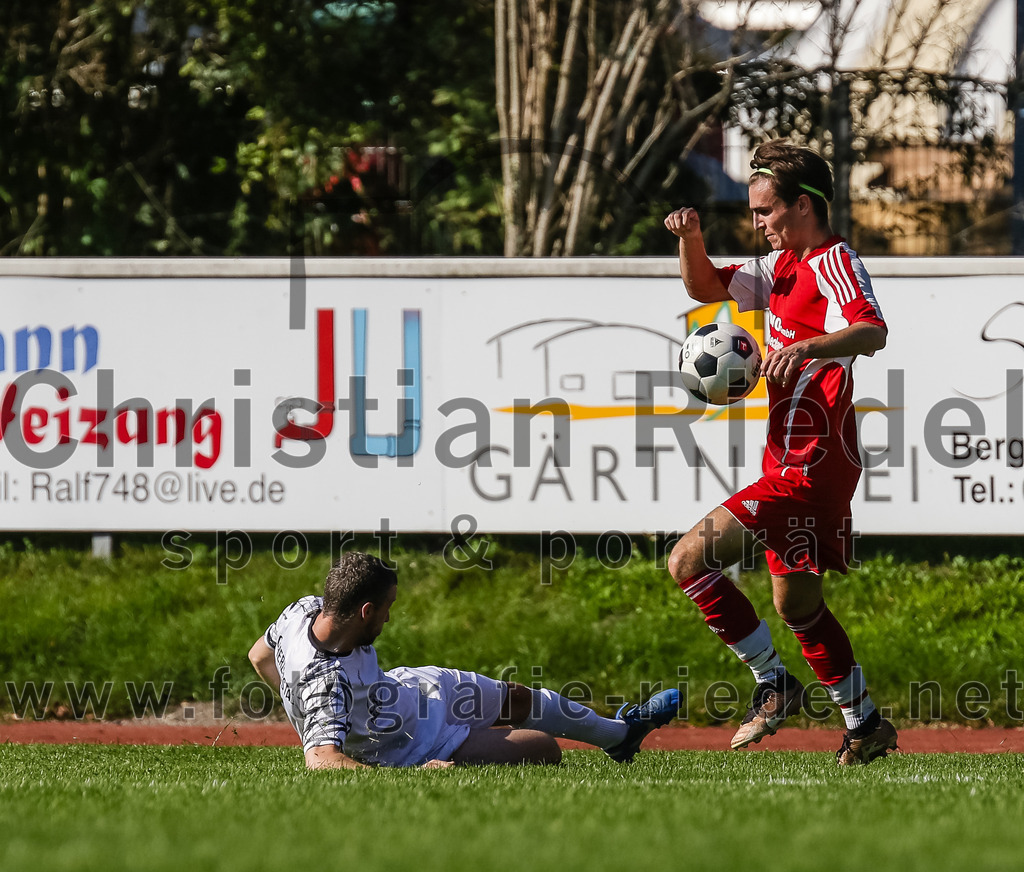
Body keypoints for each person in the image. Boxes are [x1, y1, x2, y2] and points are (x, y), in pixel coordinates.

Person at [663, 139, 897, 765]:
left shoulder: (832, 259)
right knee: (796, 603)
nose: (759, 223)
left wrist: (812, 347)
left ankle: (773, 683)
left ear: (801, 206)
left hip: (813, 462)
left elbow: (872, 330)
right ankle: (866, 723)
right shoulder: (779, 270)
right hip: (788, 460)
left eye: (766, 211)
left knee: (687, 560)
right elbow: (703, 285)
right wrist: (691, 236)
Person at [248, 551, 679, 769]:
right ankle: (615, 736)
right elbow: (322, 761)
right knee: (545, 751)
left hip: (414, 688)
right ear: (365, 611)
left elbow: (259, 656)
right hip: (422, 744)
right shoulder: (326, 686)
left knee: (517, 698)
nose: (390, 615)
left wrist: (299, 703)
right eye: (387, 607)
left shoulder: (303, 610)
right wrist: (317, 712)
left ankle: (621, 735)